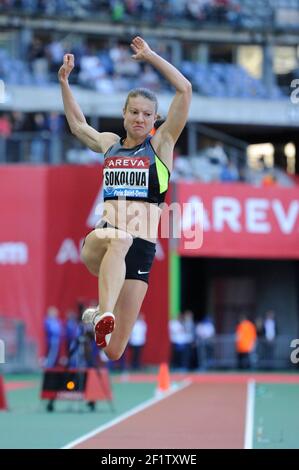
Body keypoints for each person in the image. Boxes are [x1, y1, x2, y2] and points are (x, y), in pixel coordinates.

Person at [58, 36, 192, 361]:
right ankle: (105, 312)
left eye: (147, 114)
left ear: (155, 120)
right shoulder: (109, 144)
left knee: (115, 350)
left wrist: (150, 56)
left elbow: (185, 89)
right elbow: (77, 125)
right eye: (134, 112)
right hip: (103, 239)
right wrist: (63, 81)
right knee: (119, 238)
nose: (140, 119)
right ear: (124, 113)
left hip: (142, 249)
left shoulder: (161, 146)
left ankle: (96, 317)